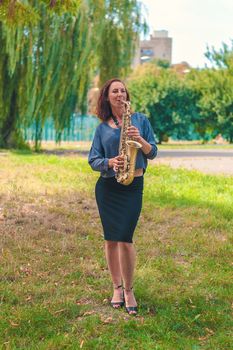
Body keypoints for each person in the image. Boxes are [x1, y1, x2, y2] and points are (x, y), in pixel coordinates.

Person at [88, 78, 157, 315]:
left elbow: (153, 152)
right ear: (107, 97)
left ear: (127, 96)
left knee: (125, 238)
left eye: (122, 90)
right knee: (111, 239)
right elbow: (93, 160)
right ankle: (116, 287)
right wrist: (109, 162)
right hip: (108, 188)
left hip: (133, 185)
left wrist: (139, 139)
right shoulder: (102, 128)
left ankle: (129, 290)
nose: (119, 94)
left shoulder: (140, 120)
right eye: (114, 91)